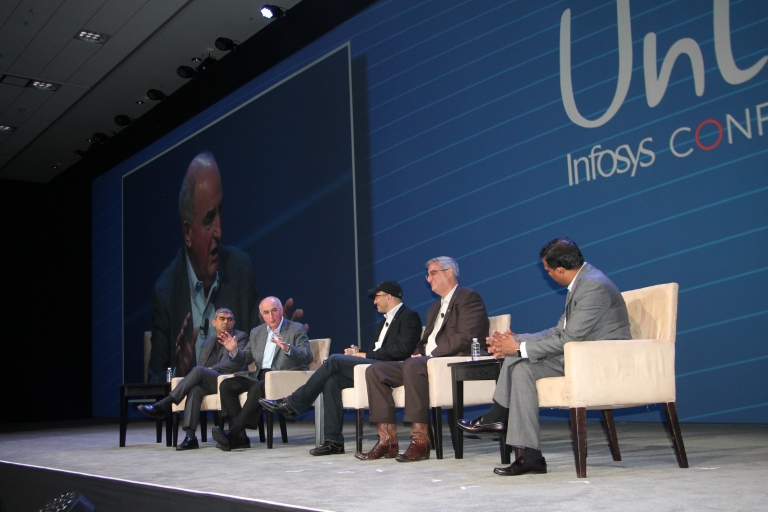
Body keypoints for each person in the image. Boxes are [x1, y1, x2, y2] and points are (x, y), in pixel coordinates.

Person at [458, 237, 631, 476]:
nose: (548, 274)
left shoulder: (593, 286)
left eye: (548, 270)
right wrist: (517, 340)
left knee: (520, 361)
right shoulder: (582, 282)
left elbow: (568, 339)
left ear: (561, 269)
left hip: (600, 360)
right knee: (518, 365)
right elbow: (559, 332)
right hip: (580, 353)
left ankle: (498, 419)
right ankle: (527, 454)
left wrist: (517, 348)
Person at [260, 281, 422, 456]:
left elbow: (401, 350)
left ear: (389, 297)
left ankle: (293, 403)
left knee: (335, 360)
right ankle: (334, 441)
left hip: (391, 369)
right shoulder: (382, 324)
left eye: (377, 297)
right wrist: (358, 353)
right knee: (332, 381)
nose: (374, 301)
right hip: (375, 366)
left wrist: (365, 355)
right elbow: (376, 351)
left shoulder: (409, 317)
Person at [356, 257, 489, 462]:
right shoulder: (434, 309)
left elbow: (467, 337)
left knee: (413, 365)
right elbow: (425, 341)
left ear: (449, 273)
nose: (428, 279)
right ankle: (387, 441)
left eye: (433, 273)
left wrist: (429, 356)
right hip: (425, 363)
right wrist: (419, 353)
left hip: (451, 363)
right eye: (427, 275)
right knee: (375, 370)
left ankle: (420, 441)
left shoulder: (468, 298)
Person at [147, 153, 260, 382]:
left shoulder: (241, 269)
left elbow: (255, 348)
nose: (219, 231)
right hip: (193, 392)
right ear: (187, 233)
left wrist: (276, 331)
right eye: (209, 220)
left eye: (220, 211)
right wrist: (178, 373)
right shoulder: (166, 292)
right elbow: (154, 377)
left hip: (232, 391)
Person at [137, 308, 249, 450]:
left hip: (230, 381)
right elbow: (201, 366)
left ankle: (164, 404)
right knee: (195, 390)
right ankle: (190, 436)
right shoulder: (207, 343)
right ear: (214, 322)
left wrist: (210, 370)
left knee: (198, 371)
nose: (226, 322)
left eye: (230, 319)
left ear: (234, 322)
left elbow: (237, 362)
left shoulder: (240, 337)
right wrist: (203, 371)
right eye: (222, 319)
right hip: (210, 381)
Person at [212, 297, 312, 450]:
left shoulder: (295, 328)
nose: (271, 316)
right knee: (227, 385)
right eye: (266, 313)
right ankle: (241, 438)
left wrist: (288, 348)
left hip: (282, 377)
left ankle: (232, 433)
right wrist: (234, 351)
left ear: (281, 310)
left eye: (274, 311)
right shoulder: (256, 332)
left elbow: (307, 356)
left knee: (258, 387)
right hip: (259, 376)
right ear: (262, 315)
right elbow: (246, 358)